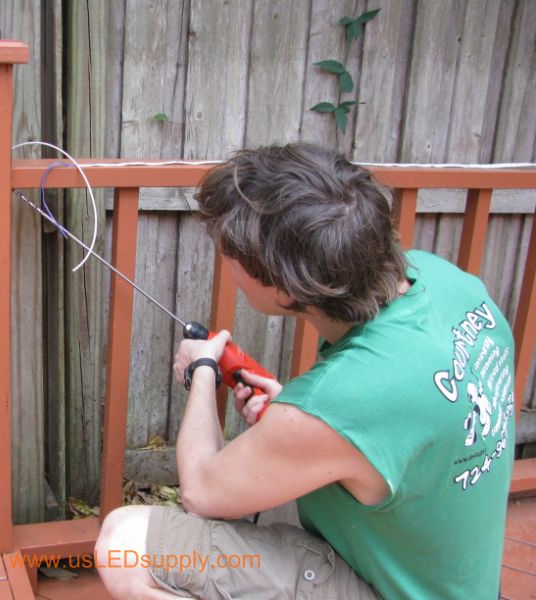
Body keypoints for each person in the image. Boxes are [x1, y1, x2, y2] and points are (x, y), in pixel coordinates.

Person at [95, 143, 516, 599]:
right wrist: (296, 416)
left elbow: (201, 490)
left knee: (125, 546)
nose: (225, 257)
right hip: (443, 576)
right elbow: (402, 421)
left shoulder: (338, 403)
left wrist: (200, 371)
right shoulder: (448, 283)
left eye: (232, 252)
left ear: (284, 290)